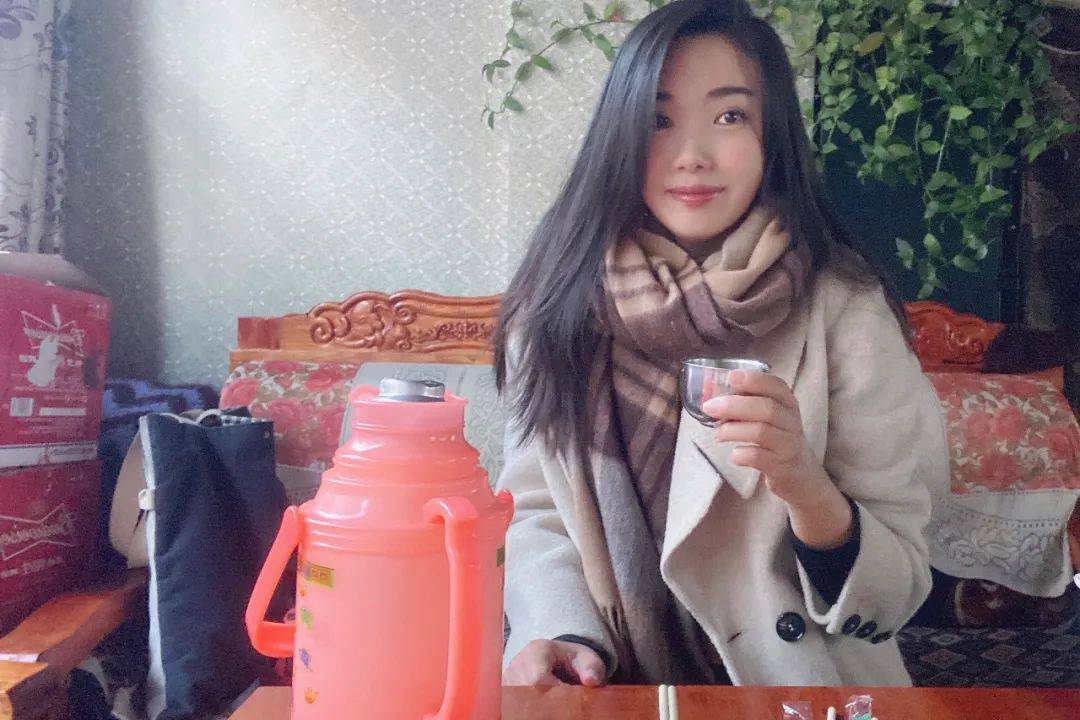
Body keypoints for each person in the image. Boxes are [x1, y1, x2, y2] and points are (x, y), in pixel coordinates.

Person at [492, 0, 948, 687]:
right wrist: (561, 634)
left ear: (773, 136)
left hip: (792, 689)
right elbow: (538, 514)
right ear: (619, 135)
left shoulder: (845, 306)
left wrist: (805, 485)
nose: (692, 156)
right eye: (658, 121)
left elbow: (899, 590)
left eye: (730, 116)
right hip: (609, 687)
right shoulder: (559, 301)